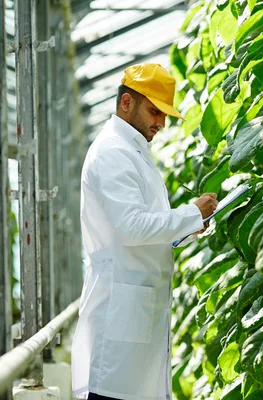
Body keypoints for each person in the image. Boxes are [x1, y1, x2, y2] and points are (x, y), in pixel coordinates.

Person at [71, 63, 217, 400]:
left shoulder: (131, 151)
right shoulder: (113, 153)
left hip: (135, 312)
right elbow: (132, 228)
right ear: (126, 103)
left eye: (165, 114)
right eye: (155, 111)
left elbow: (142, 228)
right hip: (119, 319)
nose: (161, 123)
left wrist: (190, 225)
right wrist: (190, 213)